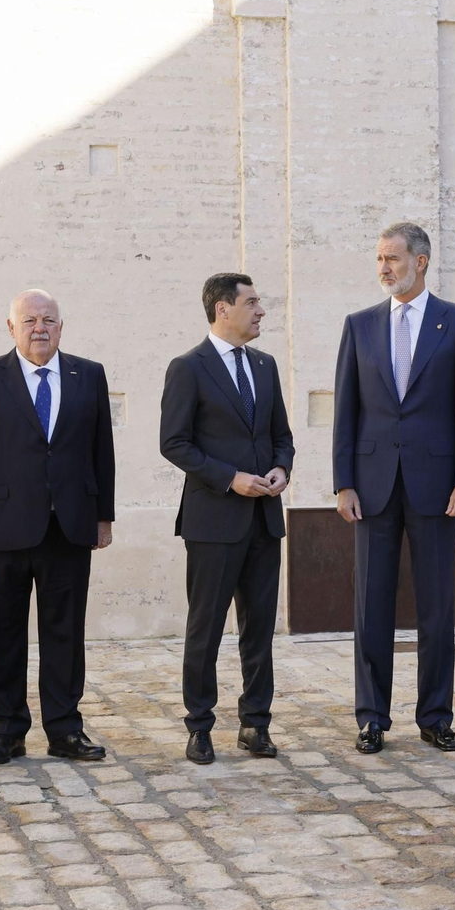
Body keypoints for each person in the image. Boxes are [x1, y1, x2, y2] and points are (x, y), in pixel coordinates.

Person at [333, 221, 455, 755]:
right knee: (371, 604)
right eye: (379, 259)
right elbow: (346, 411)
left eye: (392, 259)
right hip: (372, 486)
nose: (383, 268)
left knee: (437, 607)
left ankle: (435, 716)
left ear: (421, 261)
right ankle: (372, 716)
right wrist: (343, 481)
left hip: (438, 485)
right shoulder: (359, 325)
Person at [0, 289, 115, 764]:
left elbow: (101, 451)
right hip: (1, 528)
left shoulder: (89, 375)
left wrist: (103, 515)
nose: (39, 328)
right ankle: (7, 730)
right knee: (3, 633)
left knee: (65, 632)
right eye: (29, 320)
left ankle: (64, 729)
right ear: (11, 327)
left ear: (61, 327)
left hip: (70, 526)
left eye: (48, 320)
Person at [160, 273, 295, 765]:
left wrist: (282, 467)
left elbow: (282, 434)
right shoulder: (188, 367)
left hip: (264, 520)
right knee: (206, 629)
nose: (261, 310)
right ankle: (199, 727)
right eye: (252, 302)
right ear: (223, 309)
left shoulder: (266, 365)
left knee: (259, 630)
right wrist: (229, 478)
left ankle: (256, 724)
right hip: (213, 521)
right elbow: (173, 443)